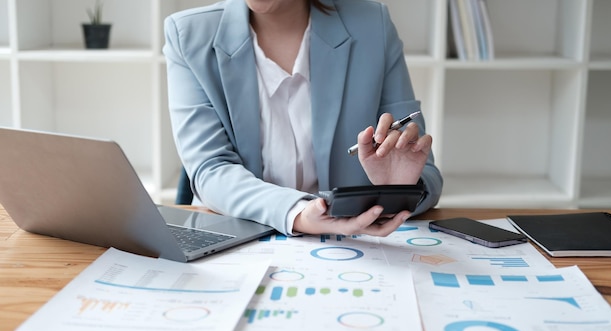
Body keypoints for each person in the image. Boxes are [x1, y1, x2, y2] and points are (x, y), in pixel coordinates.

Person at [163, 0, 443, 237]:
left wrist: (398, 190)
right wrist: (297, 213)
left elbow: (425, 173)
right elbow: (210, 169)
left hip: (353, 248)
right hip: (238, 239)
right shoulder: (187, 35)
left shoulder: (372, 25)